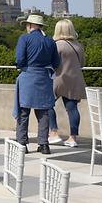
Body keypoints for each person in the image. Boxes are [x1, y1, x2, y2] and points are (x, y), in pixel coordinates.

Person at [14, 14, 60, 154]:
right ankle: (44, 144)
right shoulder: (50, 41)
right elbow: (56, 63)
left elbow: (20, 59)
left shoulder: (24, 38)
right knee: (44, 112)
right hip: (44, 78)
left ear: (29, 25)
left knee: (23, 112)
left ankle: (22, 143)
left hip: (28, 77)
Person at [47, 19, 86, 148]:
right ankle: (72, 138)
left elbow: (52, 63)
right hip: (75, 80)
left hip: (58, 78)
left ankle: (54, 132)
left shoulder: (56, 45)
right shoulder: (78, 46)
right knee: (72, 109)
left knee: (47, 104)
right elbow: (82, 64)